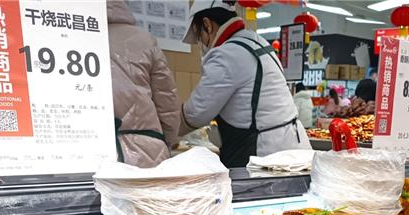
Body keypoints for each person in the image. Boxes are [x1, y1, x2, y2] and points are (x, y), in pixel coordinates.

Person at [179, 0, 309, 168]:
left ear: (207, 25)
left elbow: (195, 113)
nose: (201, 43)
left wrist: (162, 130)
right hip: (294, 148)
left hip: (265, 155)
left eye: (199, 36)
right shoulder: (257, 42)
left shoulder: (227, 54)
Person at [107, 0, 180, 167]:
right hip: (147, 151)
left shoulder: (70, 36)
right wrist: (168, 139)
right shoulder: (145, 40)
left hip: (90, 152)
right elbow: (167, 101)